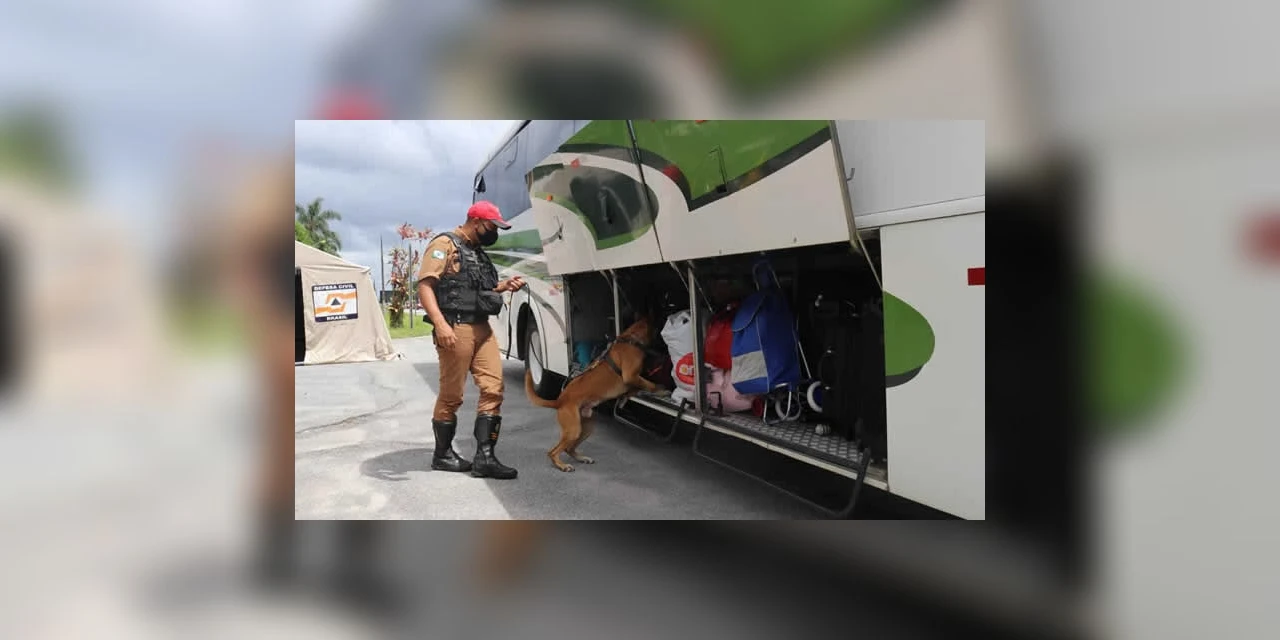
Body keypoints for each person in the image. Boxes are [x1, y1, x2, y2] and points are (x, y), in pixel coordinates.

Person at [416, 201, 525, 479]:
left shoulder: (476, 252)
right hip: (456, 328)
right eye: (492, 226)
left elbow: (481, 289)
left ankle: (485, 457)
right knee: (452, 395)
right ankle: (442, 455)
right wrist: (440, 324)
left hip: (482, 328)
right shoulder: (444, 245)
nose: (494, 233)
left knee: (494, 388)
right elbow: (426, 285)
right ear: (476, 221)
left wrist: (503, 286)